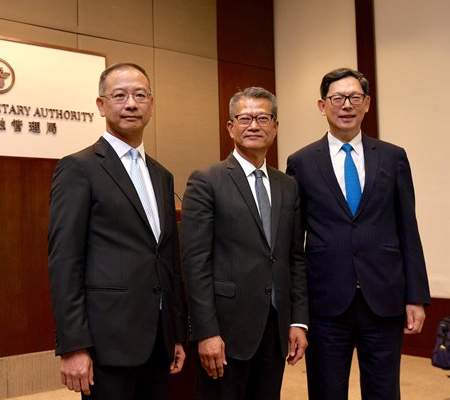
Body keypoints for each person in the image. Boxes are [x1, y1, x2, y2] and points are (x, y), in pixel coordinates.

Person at [286, 67, 431, 399]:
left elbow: (408, 229)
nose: (346, 105)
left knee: (384, 392)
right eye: (337, 98)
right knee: (326, 391)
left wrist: (416, 297)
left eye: (354, 97)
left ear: (367, 103)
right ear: (322, 105)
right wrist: (298, 311)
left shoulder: (393, 157)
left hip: (383, 297)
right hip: (325, 302)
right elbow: (294, 242)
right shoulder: (301, 162)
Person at [48, 62, 186, 399]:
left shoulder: (162, 175)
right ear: (101, 105)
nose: (131, 104)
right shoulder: (79, 168)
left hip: (158, 340)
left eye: (140, 95)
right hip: (106, 341)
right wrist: (73, 345)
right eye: (120, 95)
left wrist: (176, 333)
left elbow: (167, 260)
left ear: (151, 105)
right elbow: (65, 261)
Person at [182, 87, 309, 399]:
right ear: (230, 127)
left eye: (263, 118)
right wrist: (206, 332)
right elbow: (195, 264)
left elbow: (294, 257)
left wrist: (298, 321)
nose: (254, 125)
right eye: (245, 118)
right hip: (226, 330)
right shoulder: (206, 181)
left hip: (275, 326)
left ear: (275, 126)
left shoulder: (288, 186)